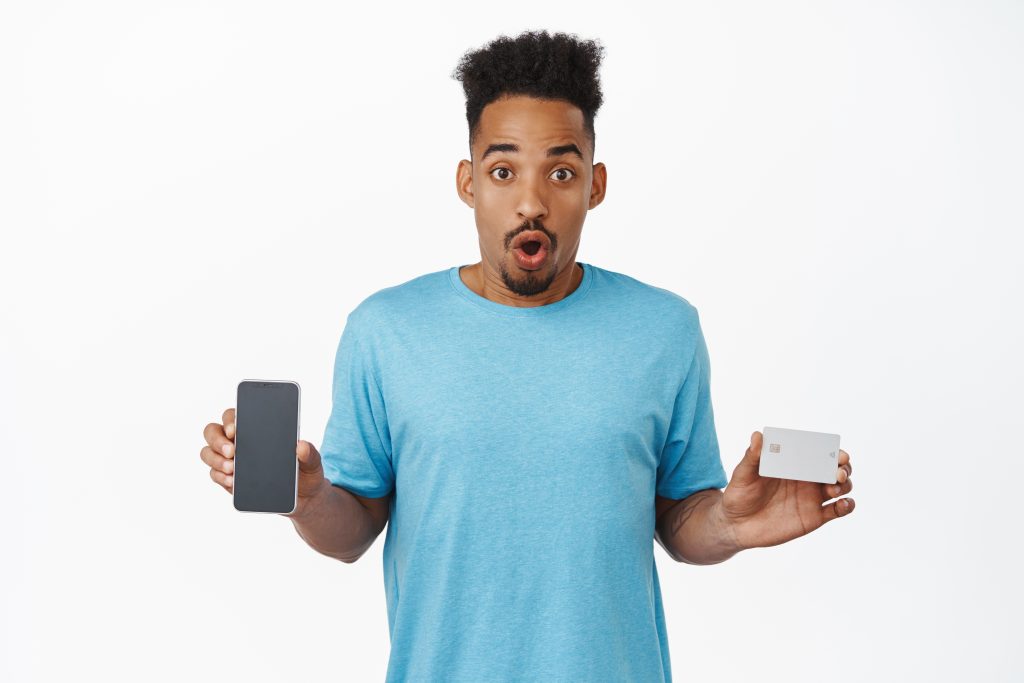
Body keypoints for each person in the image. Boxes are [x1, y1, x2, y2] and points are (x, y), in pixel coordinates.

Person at [200, 29, 856, 682]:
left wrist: (732, 523)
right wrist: (307, 496)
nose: (532, 202)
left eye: (561, 172)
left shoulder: (665, 330)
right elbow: (353, 529)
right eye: (503, 170)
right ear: (468, 182)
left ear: (595, 185)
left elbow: (681, 519)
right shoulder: (385, 330)